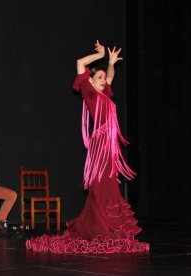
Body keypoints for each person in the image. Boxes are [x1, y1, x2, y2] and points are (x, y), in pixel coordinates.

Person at [26, 40, 149, 253]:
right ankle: (99, 228)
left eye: (103, 78)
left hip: (109, 149)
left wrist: (110, 63)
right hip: (100, 148)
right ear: (90, 82)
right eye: (98, 78)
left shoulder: (104, 95)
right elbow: (80, 62)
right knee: (100, 187)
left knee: (108, 187)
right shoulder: (90, 93)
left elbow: (109, 77)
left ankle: (108, 228)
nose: (104, 80)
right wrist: (100, 56)